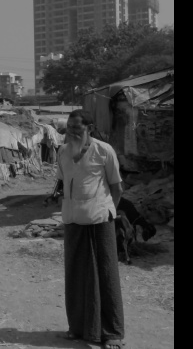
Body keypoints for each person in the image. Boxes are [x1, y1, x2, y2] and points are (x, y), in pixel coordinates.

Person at [55, 109, 125, 349]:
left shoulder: (104, 150)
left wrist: (107, 211)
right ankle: (78, 328)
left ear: (90, 129)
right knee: (75, 275)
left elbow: (117, 188)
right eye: (69, 127)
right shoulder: (62, 152)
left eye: (77, 128)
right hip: (72, 221)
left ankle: (112, 333)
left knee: (105, 276)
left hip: (99, 221)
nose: (72, 132)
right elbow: (63, 182)